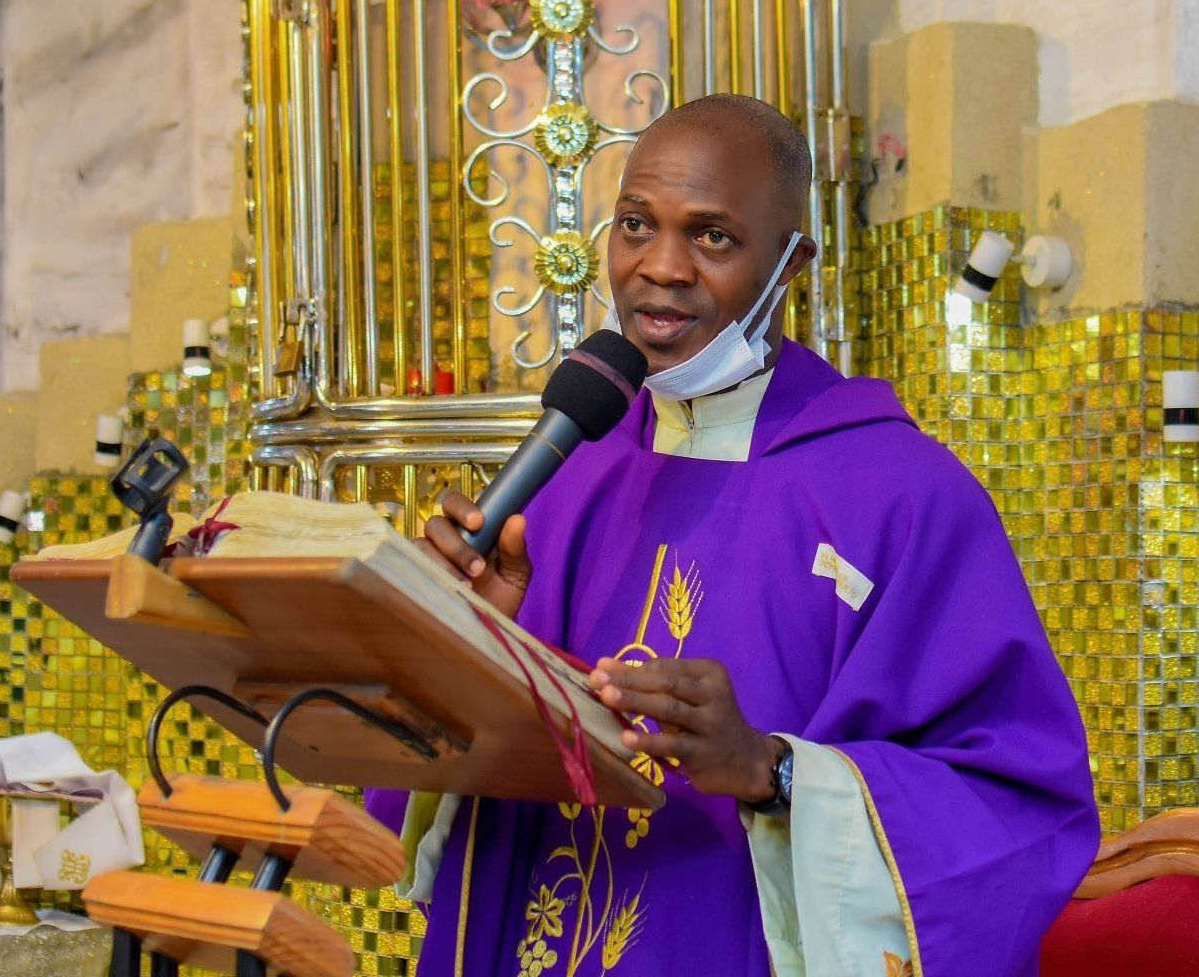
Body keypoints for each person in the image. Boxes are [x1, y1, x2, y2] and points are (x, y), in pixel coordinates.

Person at [370, 94, 1098, 976]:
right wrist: (468, 636)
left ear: (792, 264)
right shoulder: (573, 467)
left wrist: (771, 770)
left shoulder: (903, 496)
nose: (660, 267)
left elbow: (1016, 806)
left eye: (712, 236)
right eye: (636, 224)